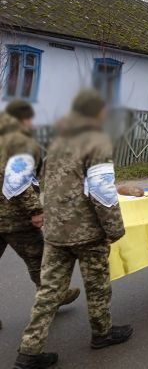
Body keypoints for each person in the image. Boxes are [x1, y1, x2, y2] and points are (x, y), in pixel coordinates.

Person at [13, 90, 132, 369]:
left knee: (49, 291)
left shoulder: (57, 141)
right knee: (97, 284)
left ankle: (29, 350)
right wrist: (115, 227)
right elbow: (101, 190)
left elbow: (49, 180)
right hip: (86, 231)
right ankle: (102, 332)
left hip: (56, 231)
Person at [1, 101, 80, 333]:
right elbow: (19, 182)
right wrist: (35, 210)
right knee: (41, 260)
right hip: (15, 220)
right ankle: (54, 296)